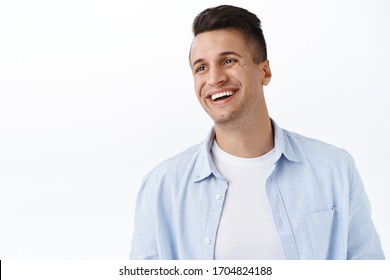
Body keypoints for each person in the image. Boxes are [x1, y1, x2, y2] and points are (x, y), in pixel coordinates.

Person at [130, 5, 384, 260]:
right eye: (201, 68)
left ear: (265, 71)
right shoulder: (161, 187)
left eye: (228, 61)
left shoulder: (334, 169)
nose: (214, 78)